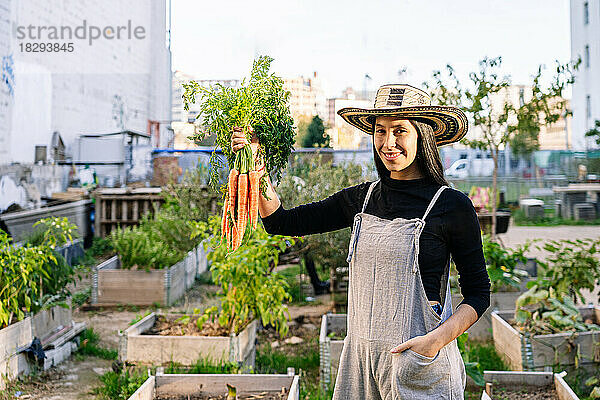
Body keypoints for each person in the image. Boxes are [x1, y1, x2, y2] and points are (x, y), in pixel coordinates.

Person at [231, 84, 490, 399]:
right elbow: (281, 222)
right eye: (380, 132)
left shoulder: (451, 205)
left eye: (400, 131)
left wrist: (433, 342)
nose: (388, 143)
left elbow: (478, 293)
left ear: (423, 135)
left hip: (417, 362)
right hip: (360, 364)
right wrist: (255, 167)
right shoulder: (361, 199)